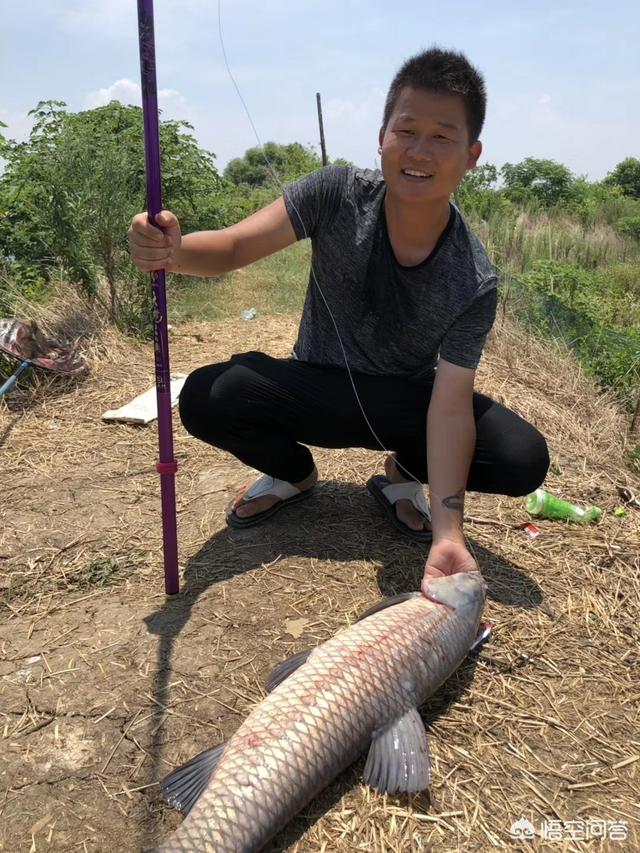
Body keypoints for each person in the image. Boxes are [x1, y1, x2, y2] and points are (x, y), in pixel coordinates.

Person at [129, 47, 549, 592]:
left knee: (521, 458)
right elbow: (232, 248)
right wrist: (172, 251)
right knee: (209, 396)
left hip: (406, 406)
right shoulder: (336, 193)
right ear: (382, 137)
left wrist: (449, 531)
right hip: (316, 388)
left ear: (472, 156)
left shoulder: (474, 279)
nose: (419, 150)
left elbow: (448, 406)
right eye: (407, 129)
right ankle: (294, 475)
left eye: (443, 136)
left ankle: (405, 477)